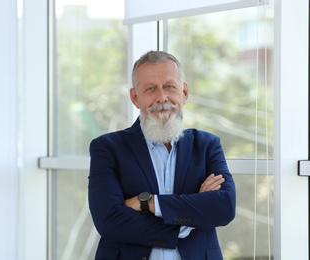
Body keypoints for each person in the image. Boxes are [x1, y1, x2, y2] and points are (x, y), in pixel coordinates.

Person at [88, 50, 236, 260]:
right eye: (150, 89)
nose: (162, 97)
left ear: (184, 93)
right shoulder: (107, 148)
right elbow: (109, 220)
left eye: (169, 86)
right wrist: (189, 221)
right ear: (135, 97)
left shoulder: (207, 145)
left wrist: (147, 203)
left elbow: (224, 207)